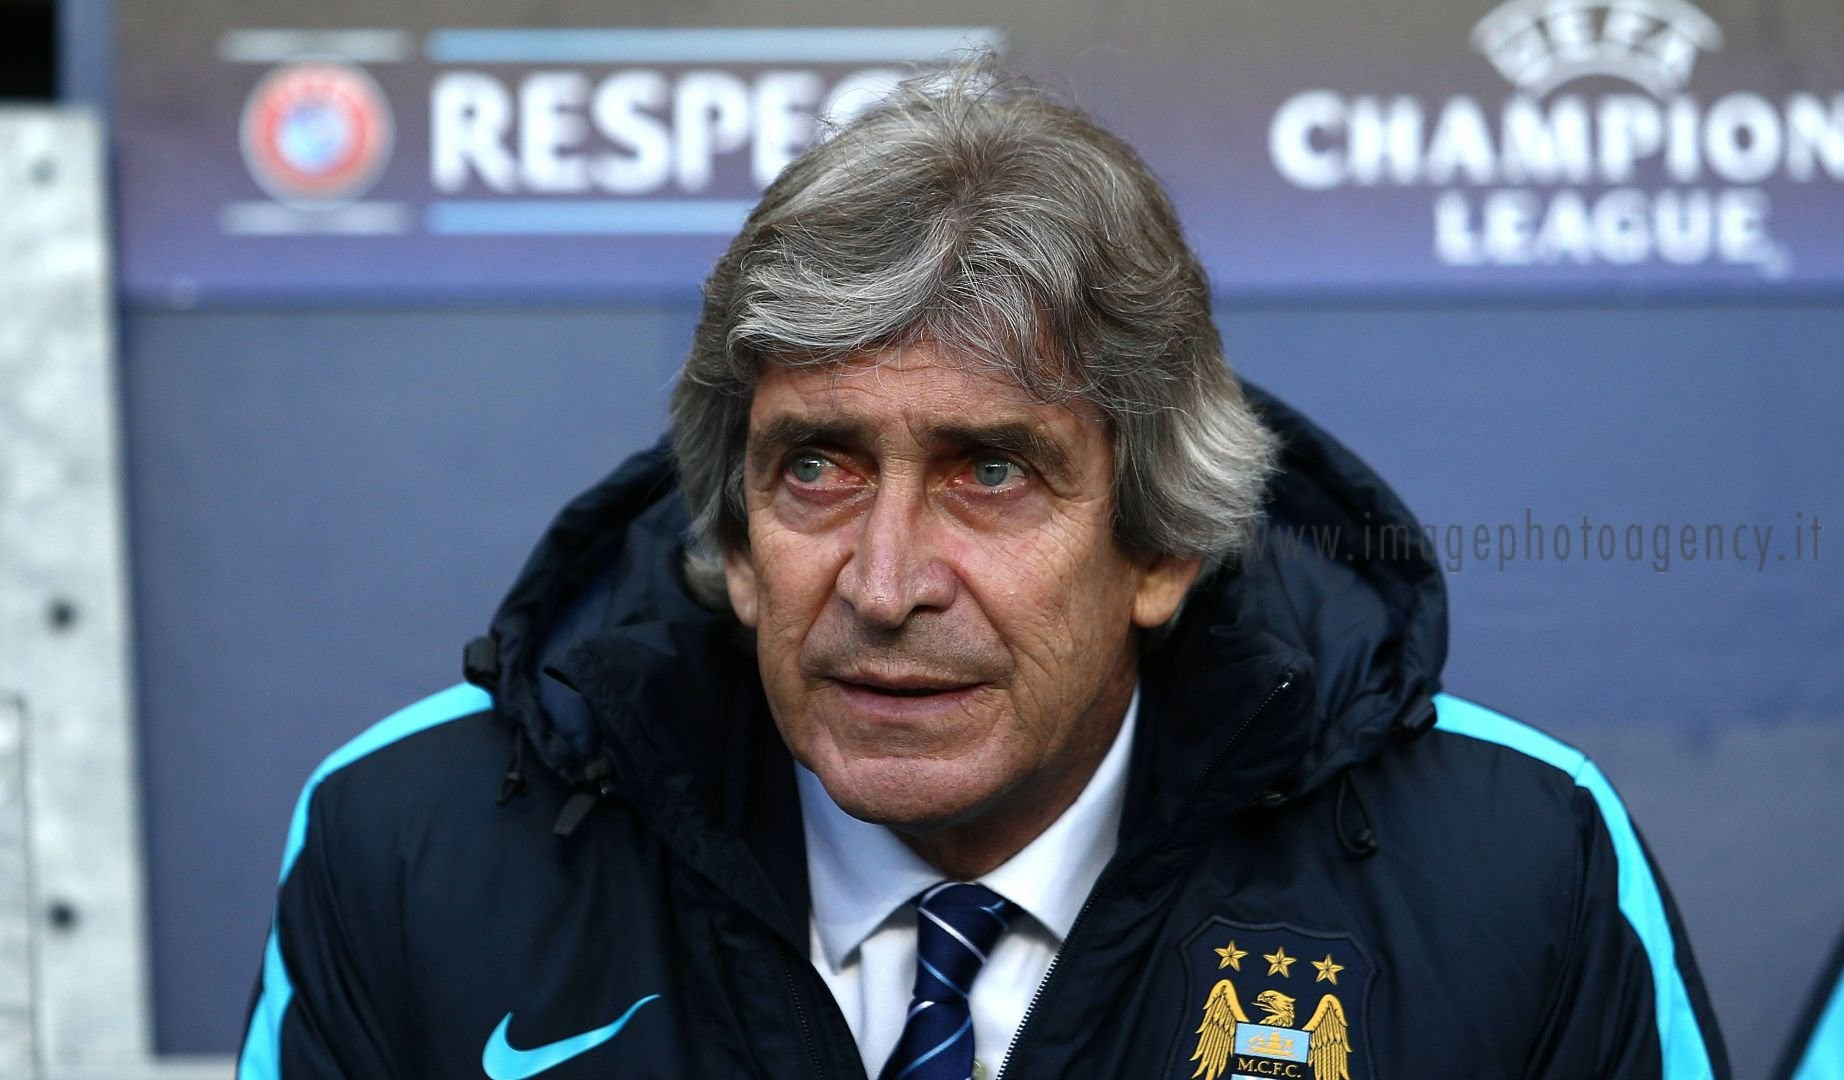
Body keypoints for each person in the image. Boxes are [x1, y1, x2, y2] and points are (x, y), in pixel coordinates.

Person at [239, 63, 1731, 1080]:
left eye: (993, 473)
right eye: (816, 468)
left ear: (1161, 546)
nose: (886, 584)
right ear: (736, 545)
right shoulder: (411, 849)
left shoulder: (1517, 866)